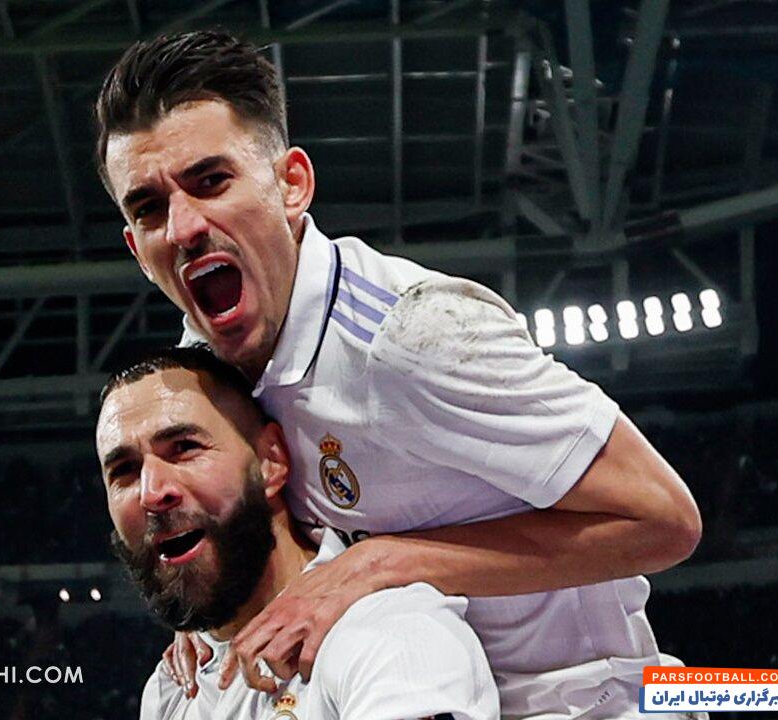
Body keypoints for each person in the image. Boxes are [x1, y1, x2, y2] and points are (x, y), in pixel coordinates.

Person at [94, 30, 704, 719]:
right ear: (136, 249)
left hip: (592, 699)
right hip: (407, 686)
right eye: (149, 207)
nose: (182, 227)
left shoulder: (417, 335)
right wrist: (203, 601)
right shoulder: (202, 365)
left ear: (292, 184)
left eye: (211, 182)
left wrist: (380, 563)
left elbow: (663, 522)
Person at [98, 346, 499, 720]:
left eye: (185, 447)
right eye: (124, 471)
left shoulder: (389, 633)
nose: (151, 492)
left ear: (270, 462)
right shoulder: (171, 688)